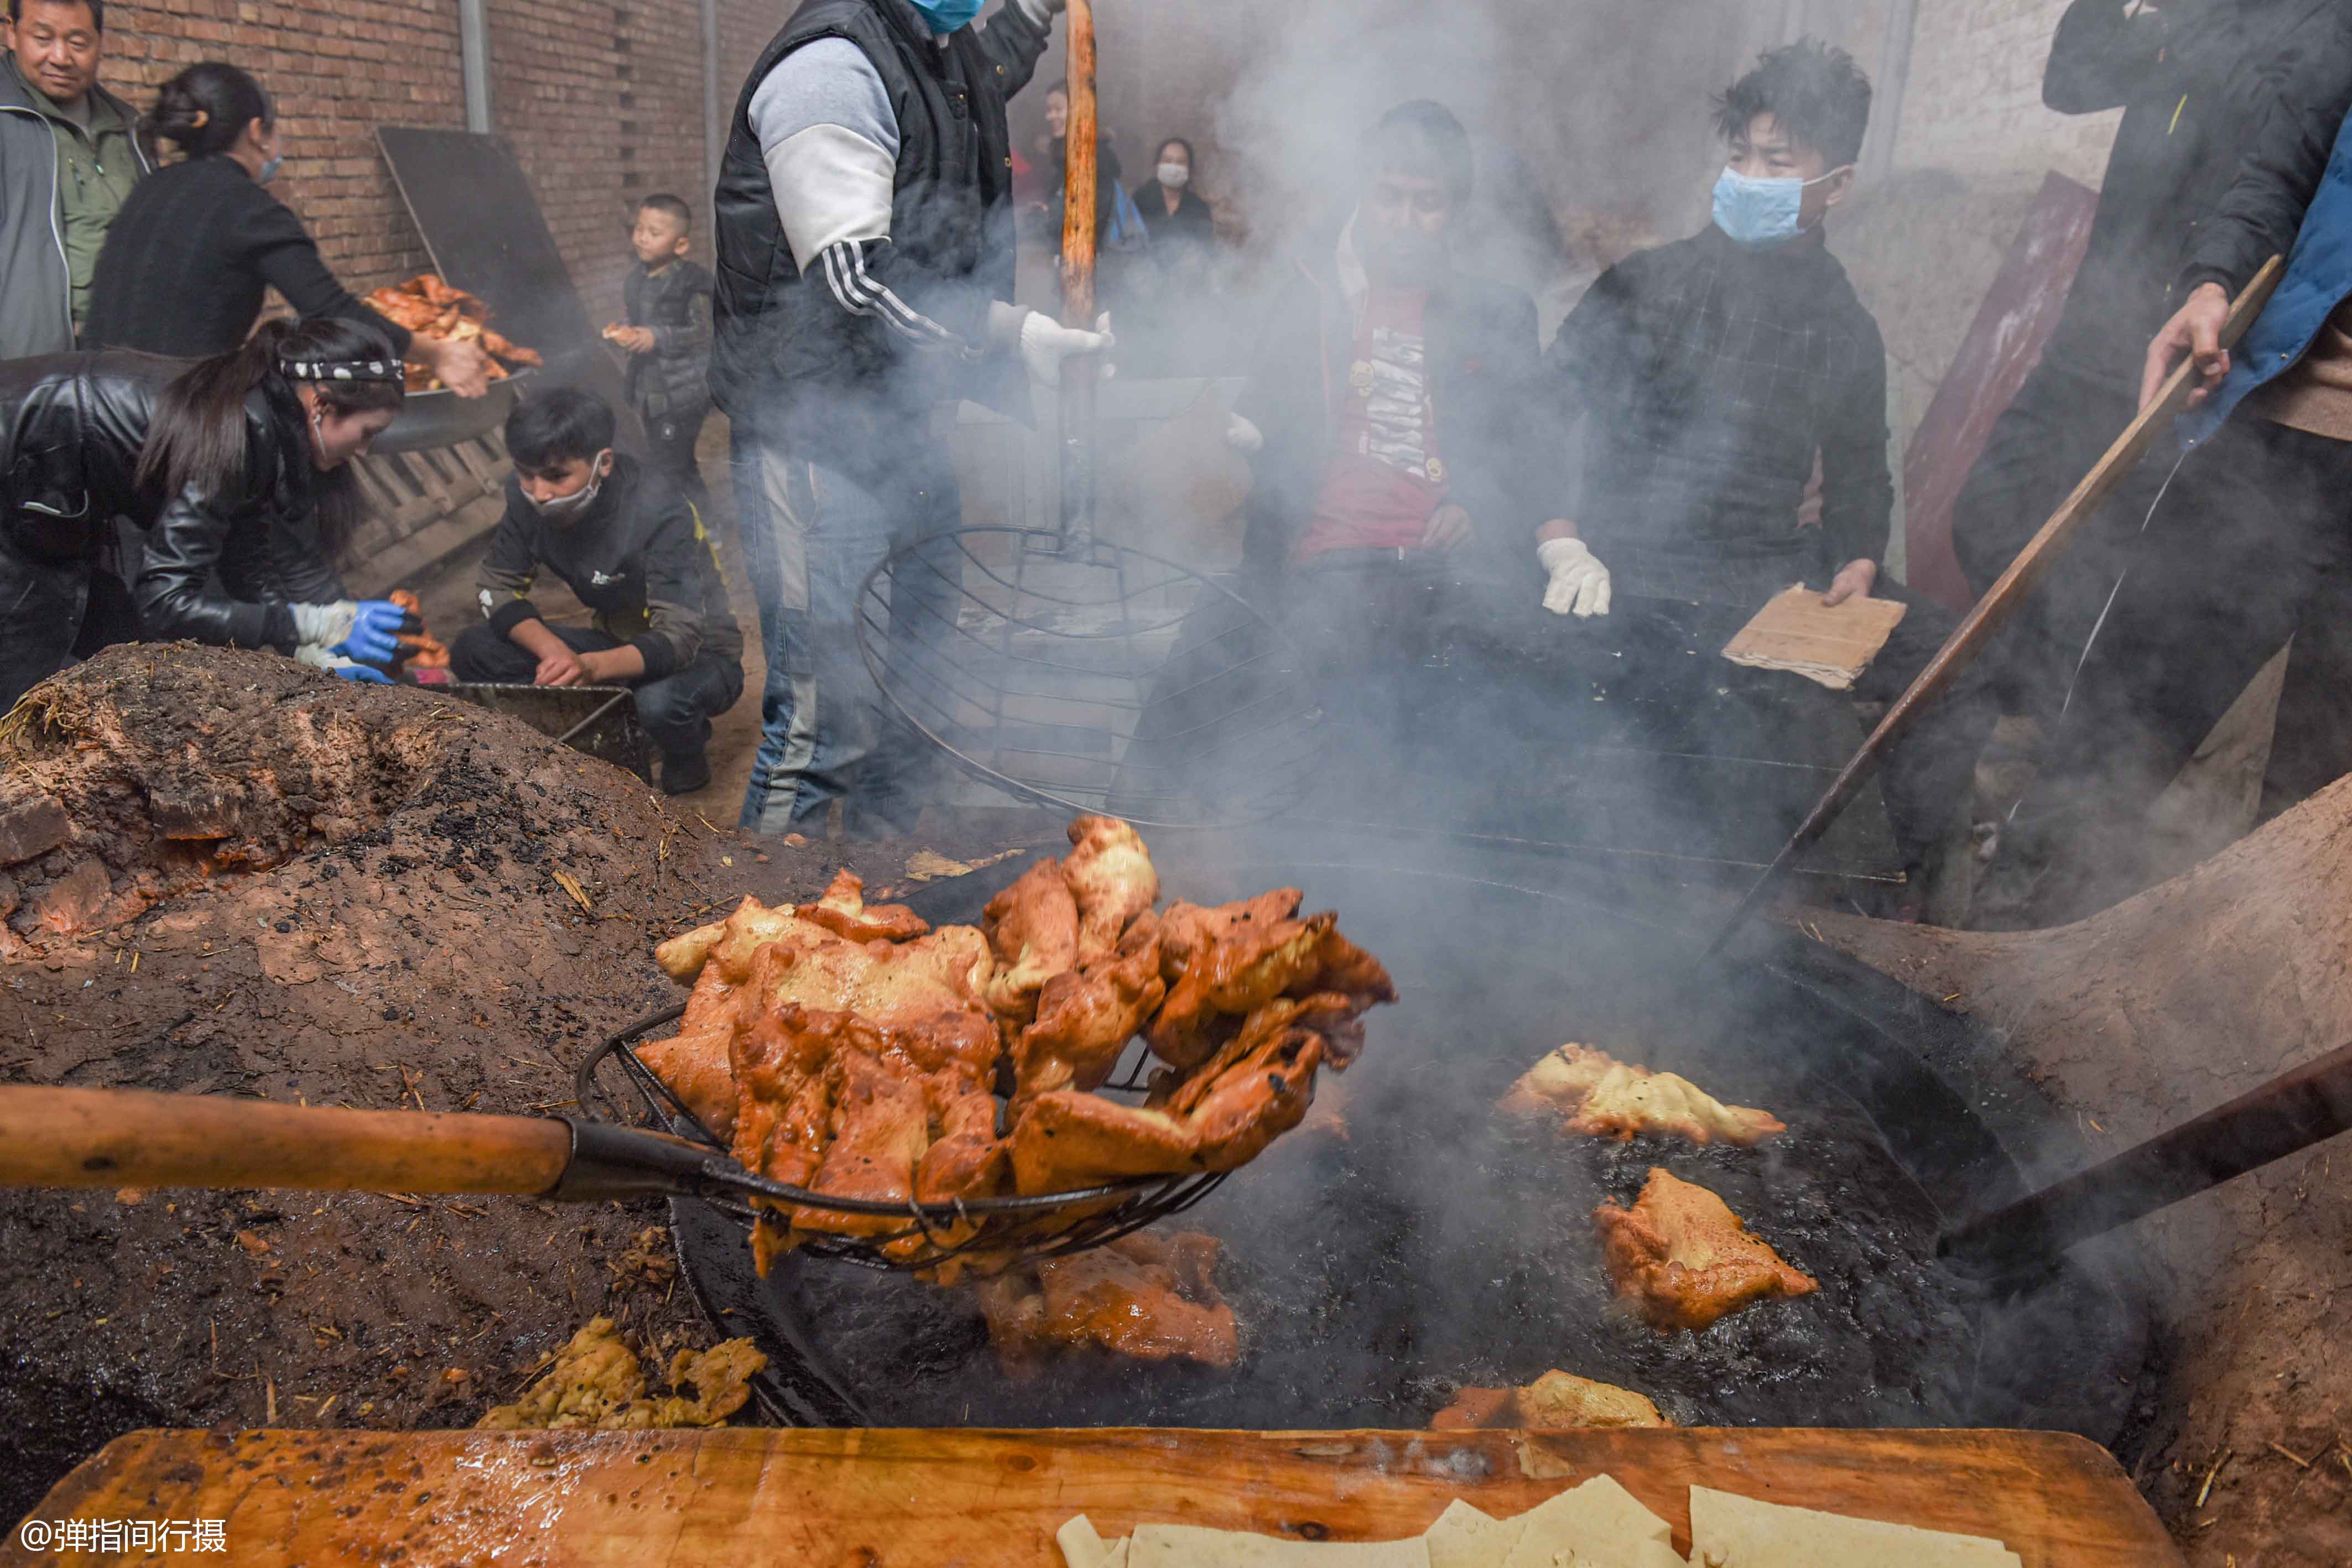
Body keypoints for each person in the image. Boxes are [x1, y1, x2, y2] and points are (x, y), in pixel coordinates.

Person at [1536, 40, 1995, 904]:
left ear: (1837, 185)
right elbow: (1540, 414)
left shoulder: (1844, 324)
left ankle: (1903, 909)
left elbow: (1863, 472)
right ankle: (1770, 909)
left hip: (1770, 574)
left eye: (1776, 161)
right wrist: (1562, 539)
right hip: (1634, 565)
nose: (1747, 174)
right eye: (1740, 155)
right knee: (1784, 734)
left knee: (1956, 669)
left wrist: (1859, 559)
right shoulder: (1648, 283)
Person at [711, 0, 1105, 838]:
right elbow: (854, 280)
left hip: (905, 425)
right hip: (815, 433)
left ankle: (874, 905)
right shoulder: (828, 69)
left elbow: (986, 67)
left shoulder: (937, 43)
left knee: (919, 696)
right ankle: (766, 938)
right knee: (829, 721)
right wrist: (1011, 335)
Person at [1992, 45, 2352, 925]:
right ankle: (1983, 972)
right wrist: (2214, 278)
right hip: (2279, 434)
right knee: (2119, 729)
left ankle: (2252, 1046)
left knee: (2320, 826)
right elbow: (2276, 170)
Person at [1946, 0, 2344, 712]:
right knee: (1988, 512)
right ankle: (2027, 712)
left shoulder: (2319, 23)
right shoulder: (2193, 11)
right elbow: (2072, 79)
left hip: (2186, 346)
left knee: (2114, 571)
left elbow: (2282, 164)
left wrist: (2181, 46)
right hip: (2096, 326)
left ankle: (2040, 746)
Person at [0, 315, 417, 706]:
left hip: (47, 492)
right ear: (321, 406)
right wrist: (316, 624)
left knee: (122, 652)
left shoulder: (264, 421)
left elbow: (247, 563)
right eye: (368, 433)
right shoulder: (236, 432)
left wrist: (312, 650)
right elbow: (166, 601)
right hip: (16, 472)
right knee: (23, 673)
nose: (363, 451)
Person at [1233, 101, 1558, 587]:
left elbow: (1529, 450)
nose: (1404, 219)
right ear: (1364, 195)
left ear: (1455, 211)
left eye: (1427, 203)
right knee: (1195, 661)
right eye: (1389, 197)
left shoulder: (1499, 315)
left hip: (1448, 575)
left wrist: (1476, 507)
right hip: (1322, 566)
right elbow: (1254, 424)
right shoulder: (1310, 300)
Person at [81, 61, 487, 395]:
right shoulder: (249, 208)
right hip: (166, 418)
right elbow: (334, 313)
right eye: (274, 132)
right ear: (258, 132)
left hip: (87, 406)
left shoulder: (149, 189)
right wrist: (435, 354)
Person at [452, 388, 744, 796]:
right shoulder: (526, 498)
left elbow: (681, 637)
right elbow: (496, 586)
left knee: (658, 705)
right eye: (526, 473)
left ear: (603, 463)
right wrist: (557, 655)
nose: (539, 492)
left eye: (556, 476)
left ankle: (684, 747)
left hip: (700, 654)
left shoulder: (658, 509)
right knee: (473, 649)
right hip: (613, 642)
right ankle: (585, 734)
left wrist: (589, 671)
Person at [0, 0, 145, 357]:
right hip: (26, 369)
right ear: (10, 32)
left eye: (78, 43)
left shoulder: (129, 126)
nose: (62, 57)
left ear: (100, 42)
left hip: (122, 358)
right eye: (43, 38)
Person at [610, 193, 715, 508]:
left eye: (655, 233)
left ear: (681, 245)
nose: (642, 238)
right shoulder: (636, 279)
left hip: (682, 393)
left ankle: (708, 527)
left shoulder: (693, 284)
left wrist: (657, 338)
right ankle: (675, 521)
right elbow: (636, 319)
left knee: (675, 463)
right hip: (647, 389)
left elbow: (706, 332)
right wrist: (622, 329)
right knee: (658, 458)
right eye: (639, 229)